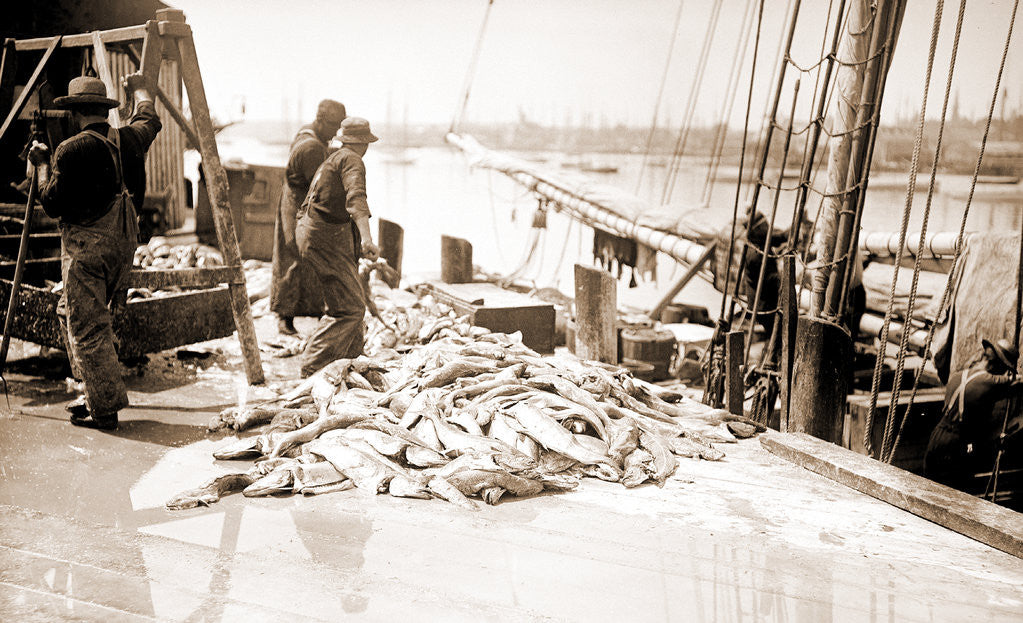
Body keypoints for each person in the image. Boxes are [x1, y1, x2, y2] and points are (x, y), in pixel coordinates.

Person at [28, 73, 162, 430]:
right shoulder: (131, 137)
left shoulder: (70, 150)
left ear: (74, 113)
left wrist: (41, 164)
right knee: (66, 311)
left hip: (88, 250)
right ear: (104, 110)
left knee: (87, 330)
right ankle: (94, 387)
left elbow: (52, 203)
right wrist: (139, 89)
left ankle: (104, 411)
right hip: (123, 245)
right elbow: (150, 117)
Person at [296, 117, 380, 377]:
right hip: (324, 238)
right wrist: (367, 240)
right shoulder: (353, 160)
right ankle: (311, 366)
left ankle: (353, 360)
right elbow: (356, 200)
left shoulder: (334, 157)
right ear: (364, 143)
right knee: (350, 309)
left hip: (313, 233)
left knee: (347, 299)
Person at [271, 99, 346, 336]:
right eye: (334, 125)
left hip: (296, 202)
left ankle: (309, 312)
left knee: (305, 260)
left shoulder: (308, 134)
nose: (336, 131)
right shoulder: (311, 147)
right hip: (297, 208)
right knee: (294, 259)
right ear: (321, 120)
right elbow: (321, 186)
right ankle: (285, 318)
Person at [924, 338, 1021, 489]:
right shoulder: (990, 381)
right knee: (957, 492)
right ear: (996, 365)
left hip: (937, 437)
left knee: (930, 486)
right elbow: (1018, 383)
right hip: (958, 443)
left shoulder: (957, 375)